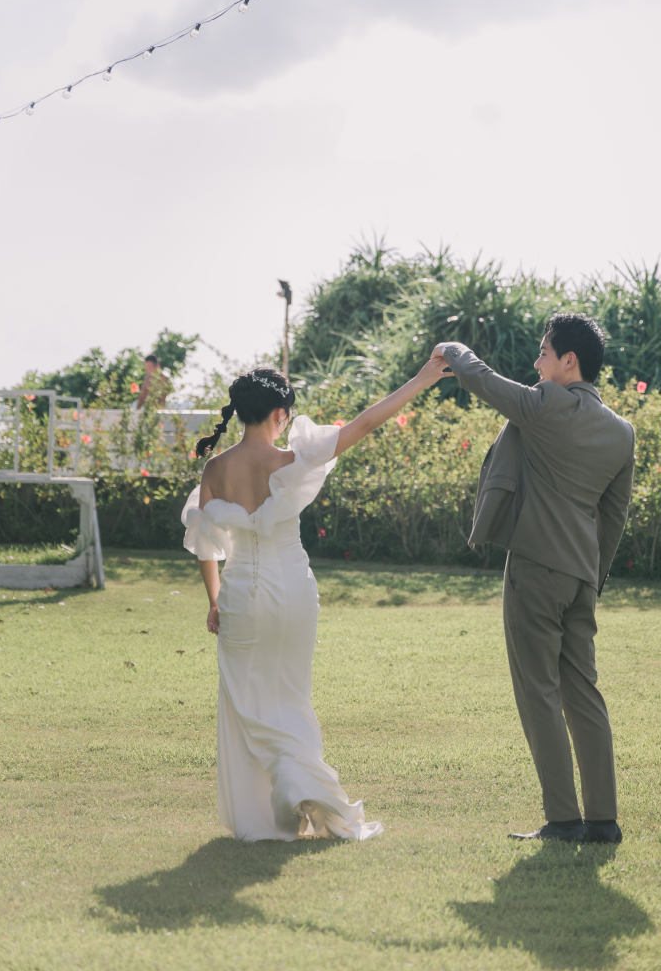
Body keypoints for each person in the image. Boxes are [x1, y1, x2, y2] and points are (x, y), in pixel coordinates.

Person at [182, 357, 452, 842]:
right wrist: (422, 377)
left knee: (247, 702)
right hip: (294, 592)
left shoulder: (216, 469)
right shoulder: (292, 462)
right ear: (279, 414)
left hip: (241, 594)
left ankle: (273, 809)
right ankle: (299, 787)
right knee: (291, 695)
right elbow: (365, 423)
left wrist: (214, 600)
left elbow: (205, 544)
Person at [434, 314, 635, 845]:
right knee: (583, 693)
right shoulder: (621, 432)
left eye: (543, 353)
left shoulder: (546, 404)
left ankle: (564, 821)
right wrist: (592, 578)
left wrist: (453, 348)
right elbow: (613, 519)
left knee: (538, 692)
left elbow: (483, 381)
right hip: (581, 576)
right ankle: (603, 822)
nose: (537, 363)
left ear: (569, 361)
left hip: (535, 568)